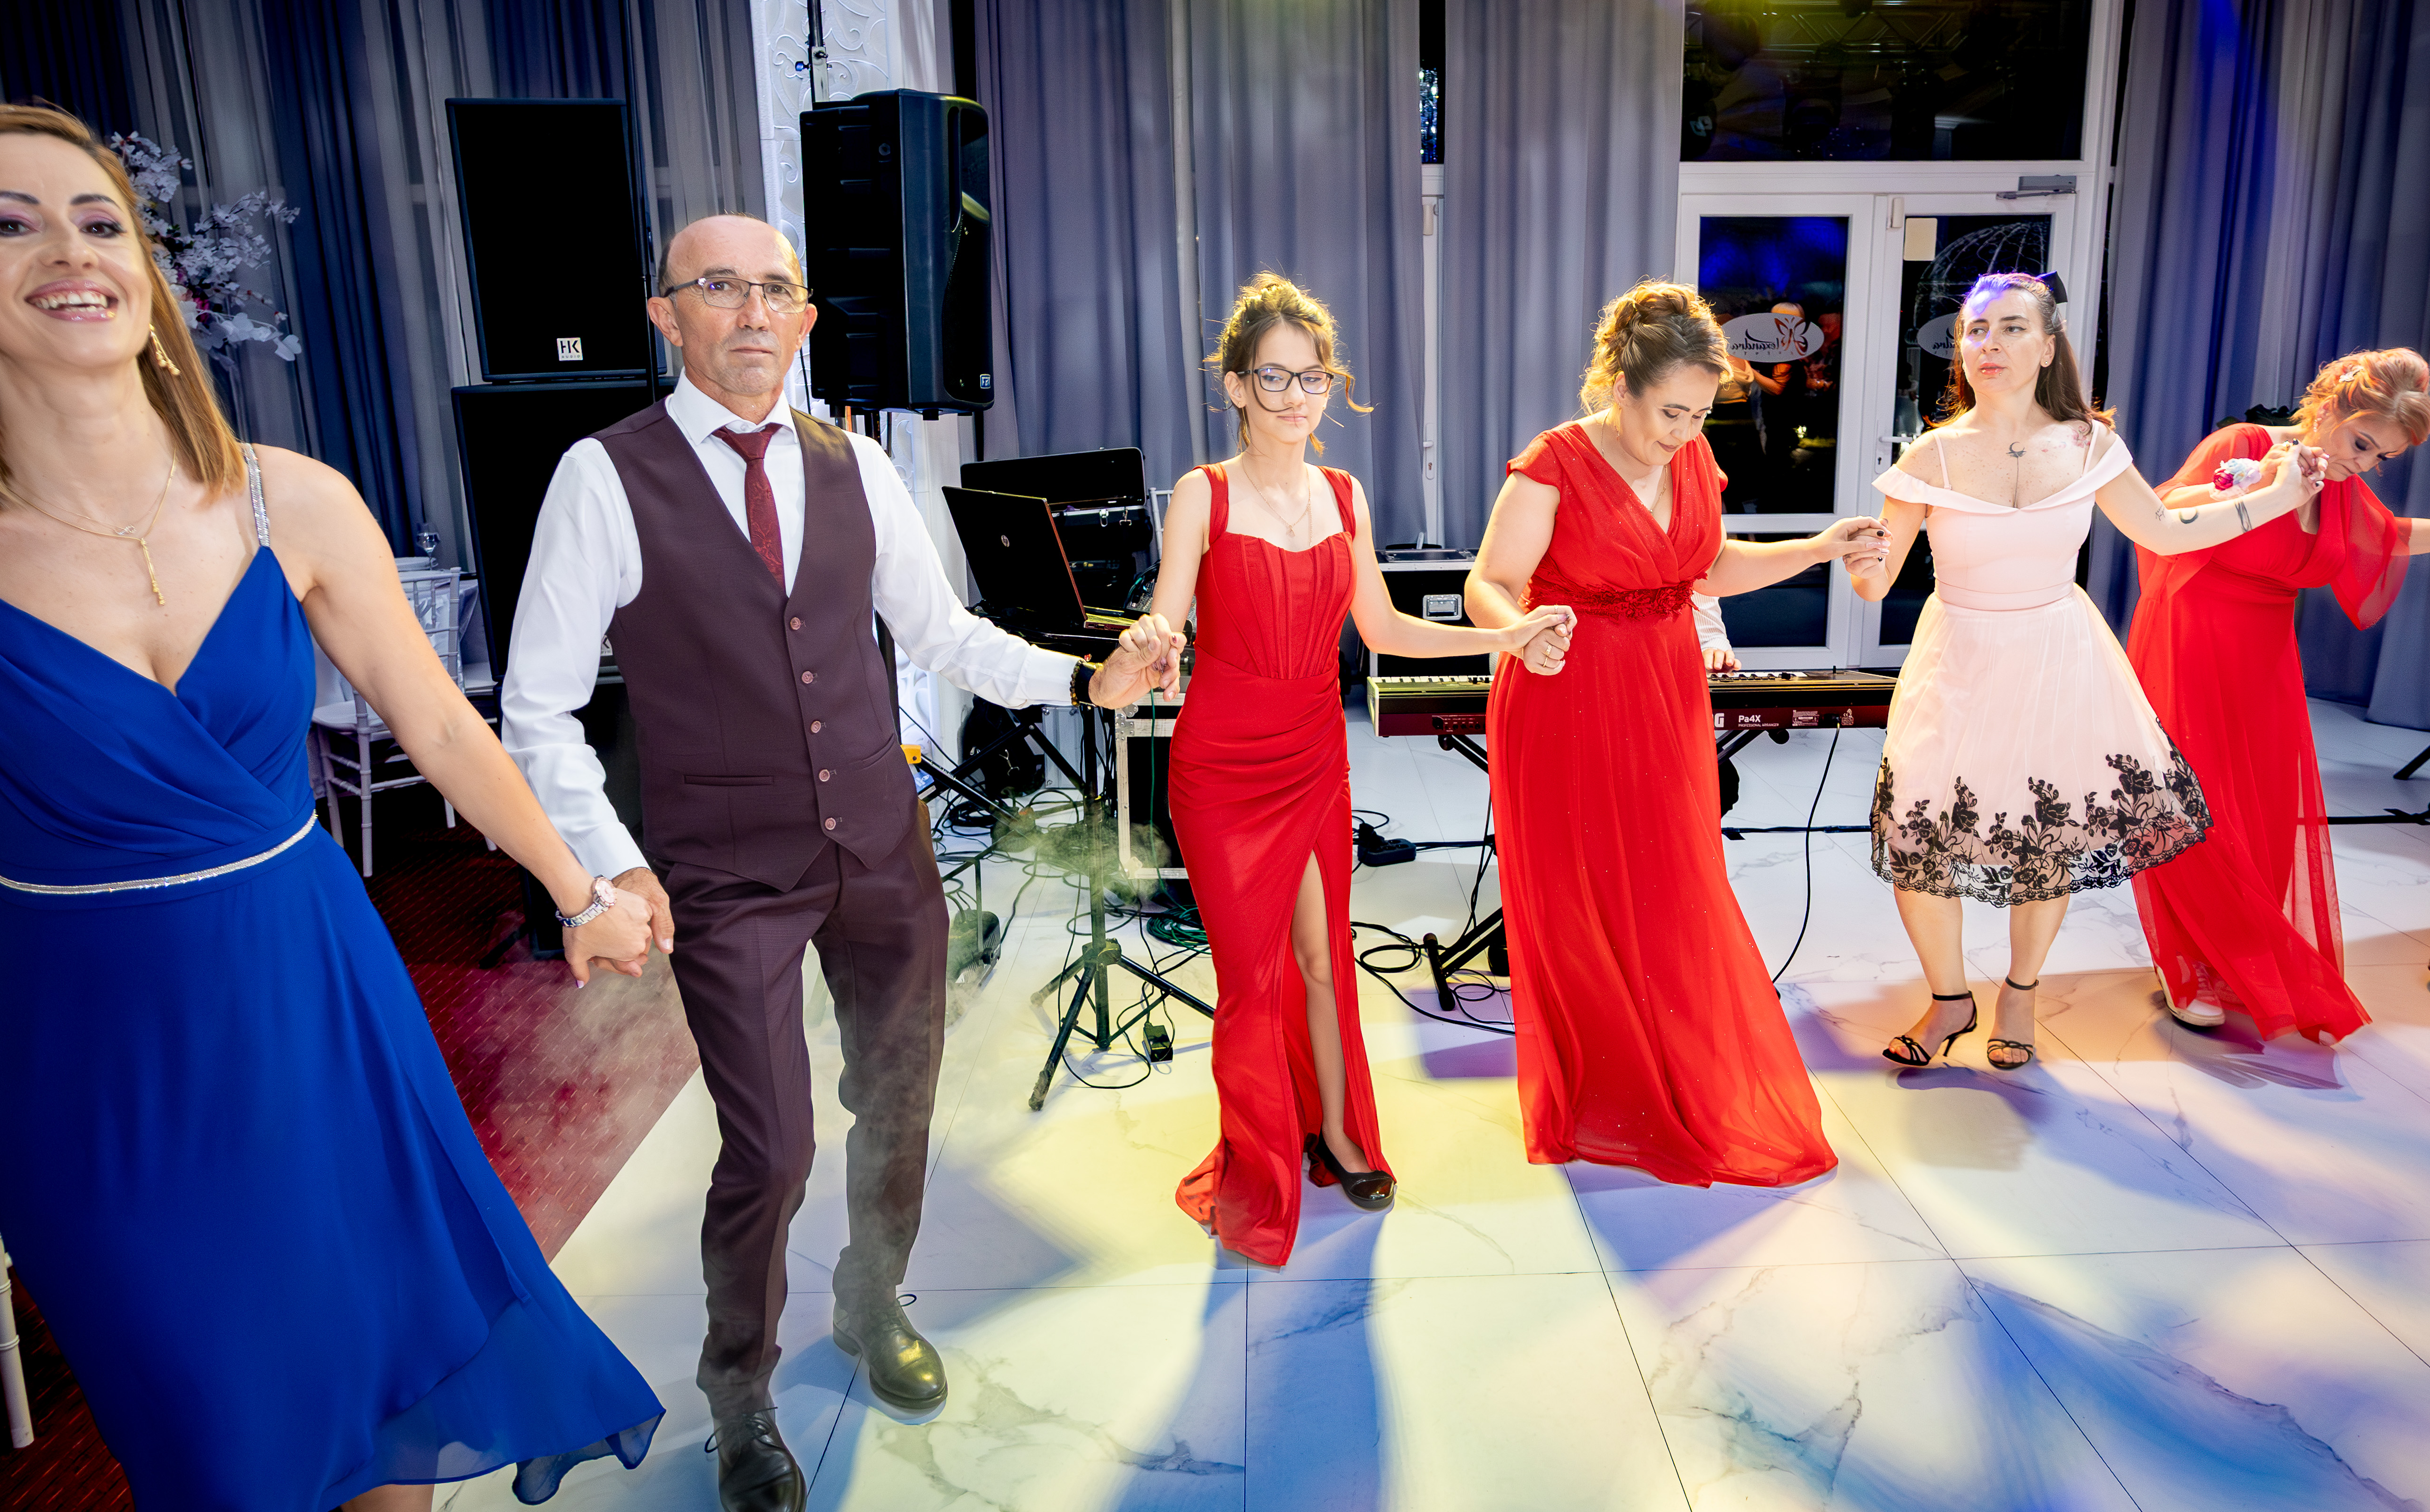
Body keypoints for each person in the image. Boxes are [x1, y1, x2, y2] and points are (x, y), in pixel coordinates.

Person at [0, 104, 661, 1512]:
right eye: (7, 222)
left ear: (148, 272)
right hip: (96, 1051)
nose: (70, 250)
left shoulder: (285, 501)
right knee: (211, 1412)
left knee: (381, 1368)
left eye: (100, 221)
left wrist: (580, 889)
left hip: (319, 1002)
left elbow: (440, 724)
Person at [500, 213, 1169, 1512]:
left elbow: (944, 634)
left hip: (879, 840)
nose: (752, 312)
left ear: (806, 319)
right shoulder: (604, 475)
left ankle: (871, 1298)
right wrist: (610, 866)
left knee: (900, 1096)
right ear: (667, 314)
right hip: (723, 866)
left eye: (776, 290)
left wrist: (1086, 677)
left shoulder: (856, 464)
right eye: (720, 287)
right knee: (771, 1146)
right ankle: (738, 1386)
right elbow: (537, 708)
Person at [1131, 274, 1567, 1266]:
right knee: (1249, 978)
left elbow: (1382, 627)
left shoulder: (1344, 496)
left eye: (1313, 376)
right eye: (1273, 377)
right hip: (1222, 765)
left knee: (1325, 958)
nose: (1295, 396)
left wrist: (1501, 638)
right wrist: (1153, 644)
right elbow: (1167, 615)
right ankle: (1260, 1159)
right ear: (1236, 386)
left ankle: (1336, 1131)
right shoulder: (1204, 494)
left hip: (1313, 757)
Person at [1464, 280, 1881, 1186]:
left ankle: (1675, 1076)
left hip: (1664, 692)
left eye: (1700, 415)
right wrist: (1517, 631)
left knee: (1672, 887)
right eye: (1670, 413)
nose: (1685, 433)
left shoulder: (1693, 458)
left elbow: (1710, 565)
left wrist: (1818, 547)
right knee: (1581, 899)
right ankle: (1602, 1092)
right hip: (1566, 690)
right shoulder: (1553, 464)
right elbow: (1487, 581)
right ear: (1621, 385)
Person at [1855, 272, 2324, 1072]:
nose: (1989, 344)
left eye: (2011, 328)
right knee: (1919, 836)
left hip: (2056, 652)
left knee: (2045, 832)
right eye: (1975, 330)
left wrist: (2279, 500)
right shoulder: (1930, 454)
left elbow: (2164, 531)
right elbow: (1875, 584)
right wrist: (1859, 557)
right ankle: (1949, 998)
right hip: (1958, 656)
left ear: (2048, 348)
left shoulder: (2088, 444)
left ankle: (2022, 993)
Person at [2132, 351, 2430, 1039]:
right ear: (2329, 407)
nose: (2364, 464)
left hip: (2266, 653)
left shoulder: (2338, 485)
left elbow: (2390, 536)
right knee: (2196, 800)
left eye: (2382, 458)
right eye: (2363, 443)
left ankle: (2231, 947)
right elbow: (2161, 513)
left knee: (2263, 808)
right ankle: (2183, 957)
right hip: (2190, 634)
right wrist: (2262, 488)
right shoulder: (2245, 445)